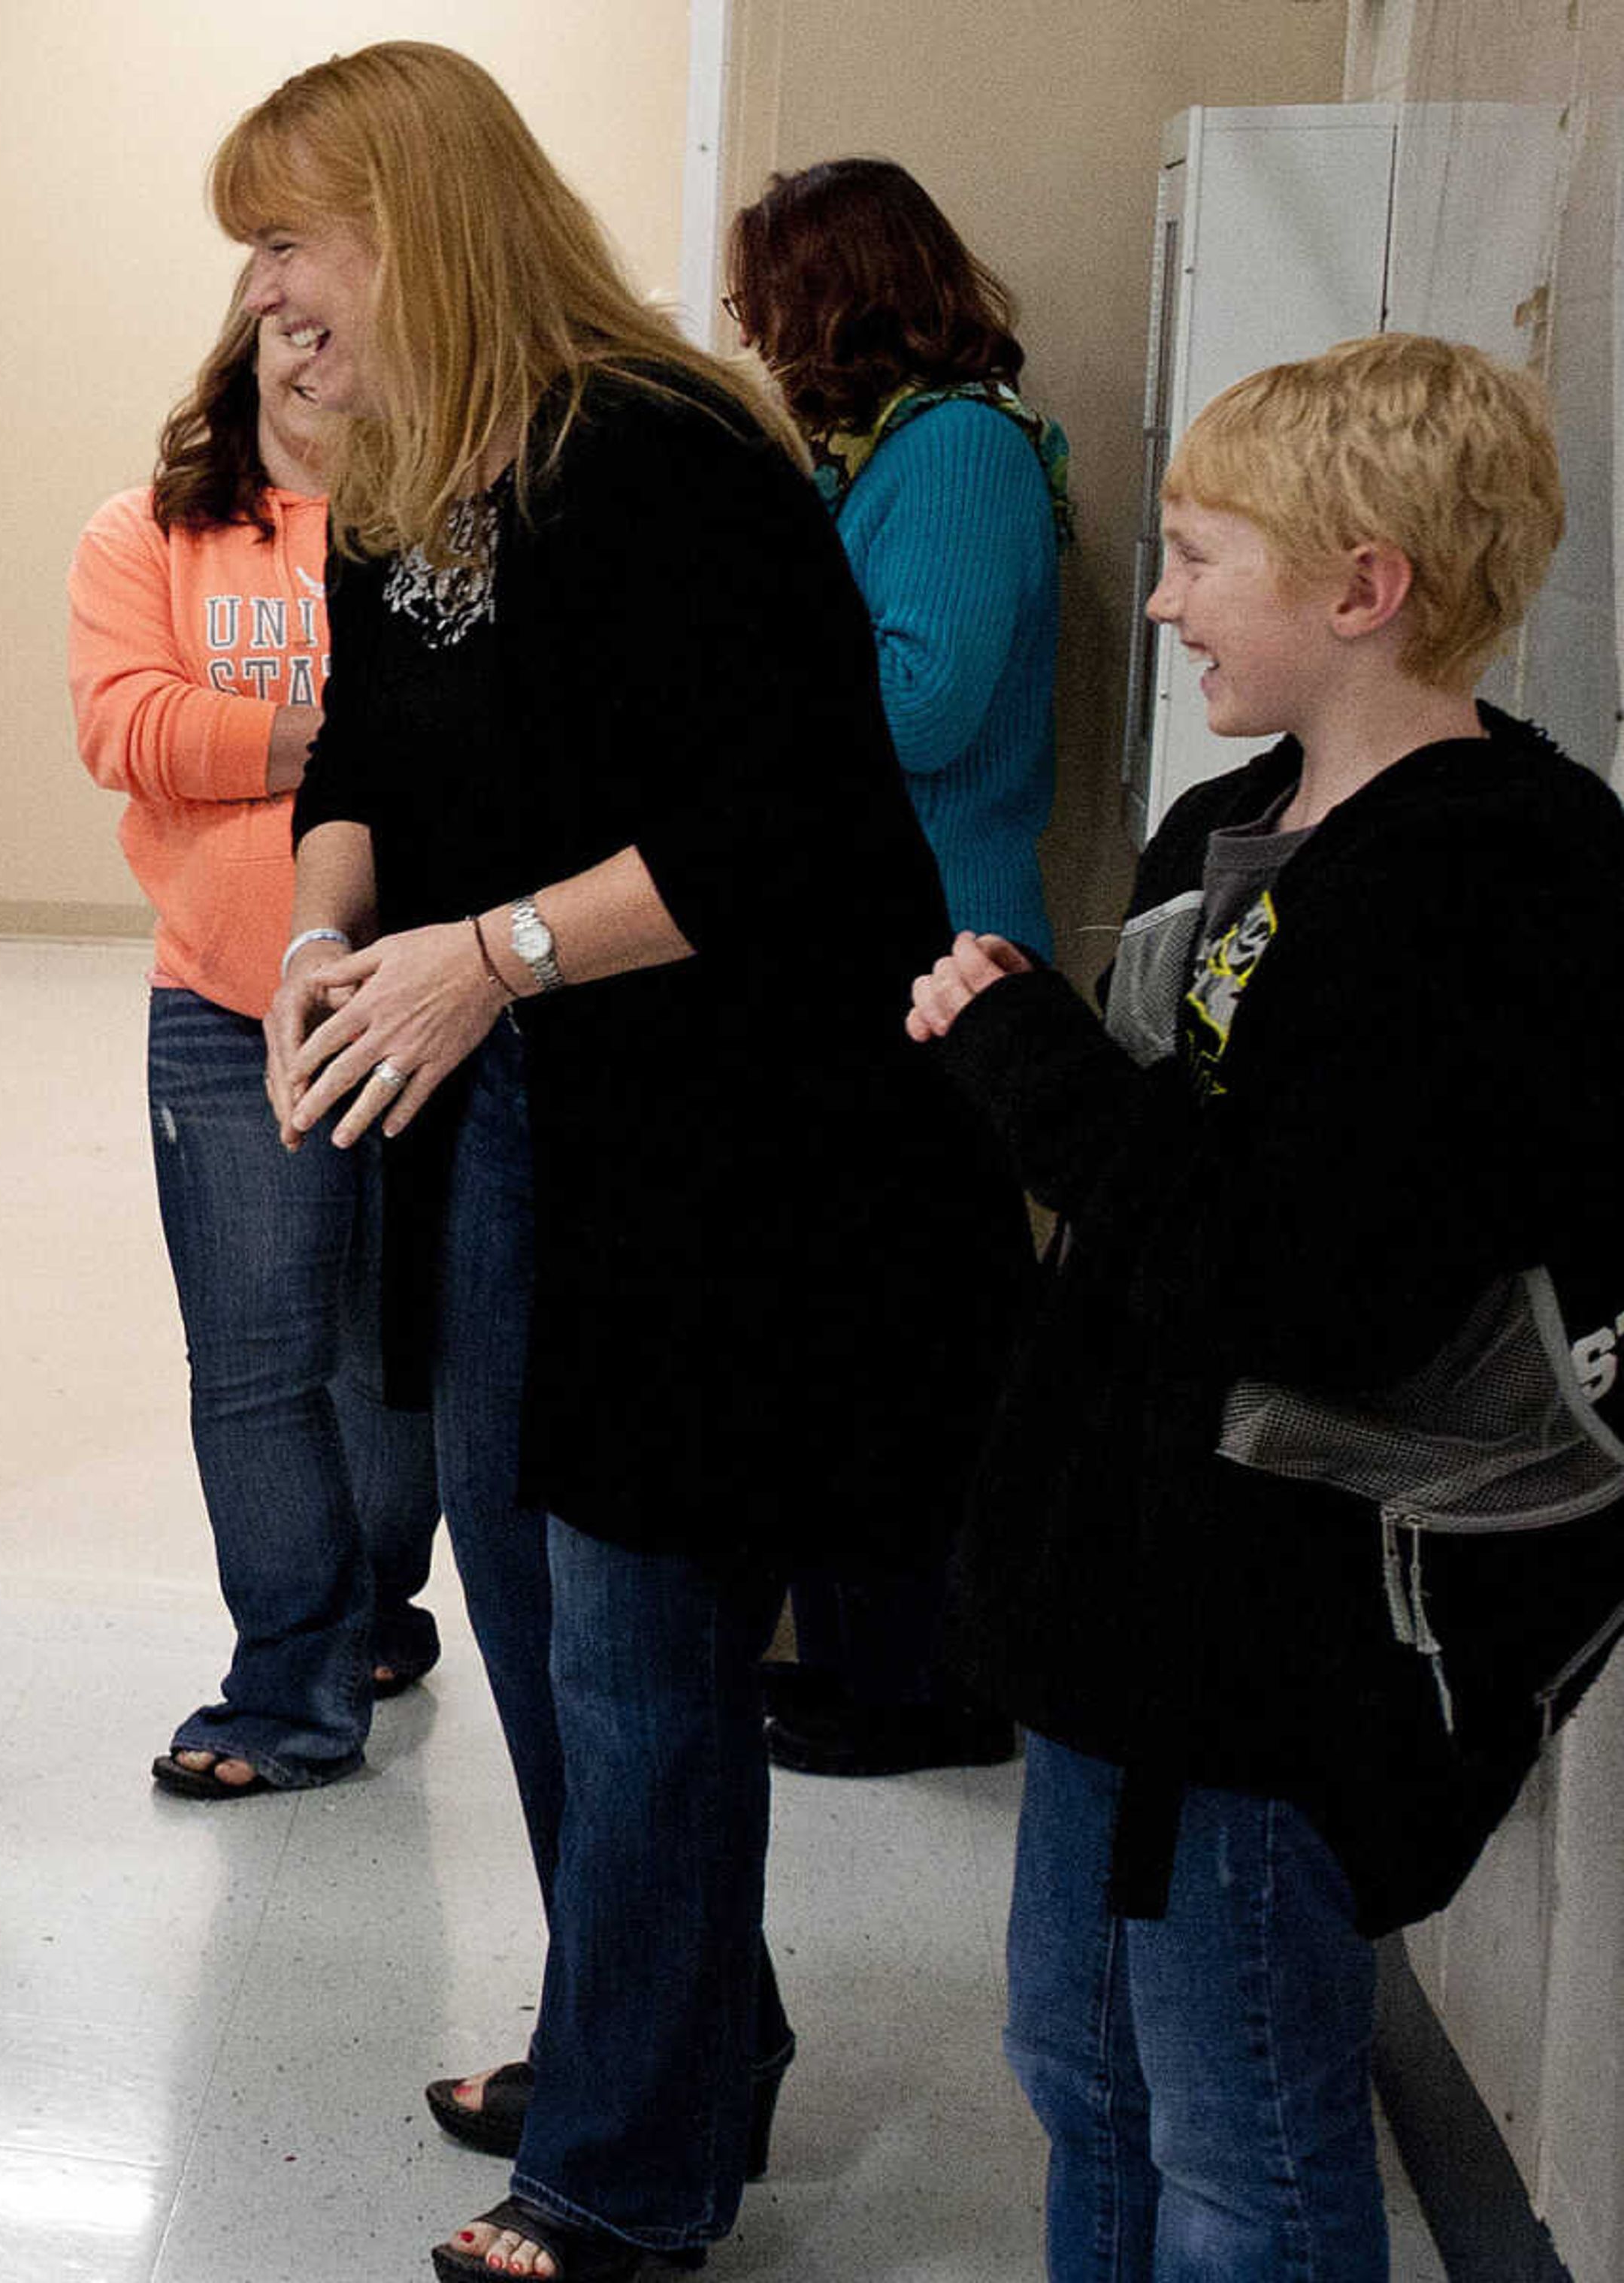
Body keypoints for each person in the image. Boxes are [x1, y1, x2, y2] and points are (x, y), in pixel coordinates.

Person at [215, 44, 1027, 2276]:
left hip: (713, 1152)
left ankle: (629, 2164)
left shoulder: (656, 457)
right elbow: (361, 746)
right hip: (506, 1130)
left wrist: (487, 954)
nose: (269, 294)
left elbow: (796, 835)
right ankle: (657, 2032)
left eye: (291, 239)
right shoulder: (416, 473)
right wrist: (323, 936)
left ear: (413, 219)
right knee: (530, 1597)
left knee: (641, 1638)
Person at [912, 333, 1624, 2282]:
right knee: (1086, 2072)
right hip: (1130, 1612)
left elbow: (1314, 1284)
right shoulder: (1236, 832)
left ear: (1362, 584)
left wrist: (1032, 1066)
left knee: (1245, 2148)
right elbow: (1159, 1224)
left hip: (1281, 1661)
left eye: (1200, 553)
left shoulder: (1495, 889)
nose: (1158, 598)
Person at [68, 295, 443, 1798]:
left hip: (425, 996)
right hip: (225, 1009)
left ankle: (373, 1603)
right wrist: (335, 735)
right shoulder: (145, 532)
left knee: (390, 1358)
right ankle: (286, 1683)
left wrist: (251, 727)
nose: (304, 347)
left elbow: (480, 738)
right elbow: (123, 725)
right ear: (239, 349)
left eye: (330, 319)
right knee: (254, 1362)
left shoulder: (442, 530)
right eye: (273, 321)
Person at [723, 156, 1070, 1780]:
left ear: (840, 291)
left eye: (767, 295)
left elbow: (921, 701)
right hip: (883, 951)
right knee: (859, 1328)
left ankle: (925, 1682)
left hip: (936, 960)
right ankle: (876, 1660)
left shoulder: (954, 455)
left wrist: (747, 656)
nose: (749, 327)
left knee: (911, 1343)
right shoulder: (879, 457)